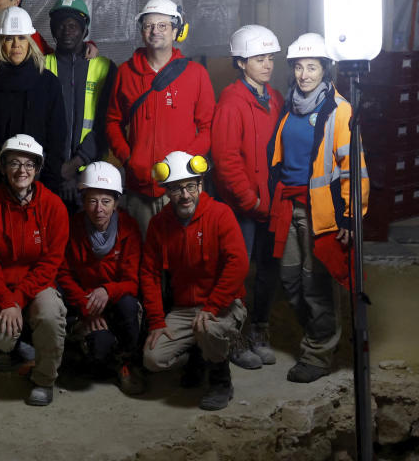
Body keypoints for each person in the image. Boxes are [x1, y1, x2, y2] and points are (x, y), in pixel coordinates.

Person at [267, 33, 368, 383]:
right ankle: (319, 336)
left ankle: (318, 353)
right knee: (290, 282)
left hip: (320, 214)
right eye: (298, 67)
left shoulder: (339, 110)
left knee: (317, 286)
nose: (304, 74)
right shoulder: (290, 105)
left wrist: (351, 215)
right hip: (289, 207)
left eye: (311, 67)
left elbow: (353, 167)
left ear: (324, 70)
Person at [140, 151, 249, 411]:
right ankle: (199, 358)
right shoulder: (159, 224)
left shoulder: (220, 214)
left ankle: (221, 380)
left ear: (200, 184)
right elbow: (149, 273)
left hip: (222, 305)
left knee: (208, 329)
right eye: (177, 188)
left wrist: (212, 307)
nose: (185, 195)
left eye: (190, 185)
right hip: (184, 309)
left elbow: (239, 264)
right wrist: (156, 320)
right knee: (152, 359)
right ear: (167, 191)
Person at [0, 134, 69, 406]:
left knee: (50, 314)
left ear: (37, 170)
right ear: (2, 167)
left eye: (29, 164)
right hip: (0, 287)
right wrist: (6, 300)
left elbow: (51, 263)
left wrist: (17, 300)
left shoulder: (53, 207)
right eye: (14, 163)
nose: (21, 170)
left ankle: (44, 380)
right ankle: (19, 347)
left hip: (38, 285)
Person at [105, 0, 215, 236]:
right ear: (142, 32)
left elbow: (207, 127)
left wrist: (185, 164)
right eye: (148, 26)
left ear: (176, 31)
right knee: (143, 257)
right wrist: (128, 158)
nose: (155, 31)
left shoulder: (196, 74)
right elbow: (113, 121)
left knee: (181, 257)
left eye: (163, 25)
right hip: (139, 187)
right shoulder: (126, 72)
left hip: (181, 187)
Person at [211, 25, 285, 370]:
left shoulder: (276, 99)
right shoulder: (231, 100)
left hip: (273, 204)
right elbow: (226, 160)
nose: (267, 64)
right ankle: (235, 336)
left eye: (270, 58)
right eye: (259, 58)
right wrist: (249, 202)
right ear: (241, 62)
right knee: (237, 271)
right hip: (245, 207)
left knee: (268, 270)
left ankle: (260, 329)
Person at [56, 161, 143, 395]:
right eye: (92, 201)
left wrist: (106, 290)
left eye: (106, 201)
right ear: (83, 201)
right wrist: (86, 308)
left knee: (128, 303)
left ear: (116, 203)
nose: (98, 209)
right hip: (84, 304)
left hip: (115, 303)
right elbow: (62, 274)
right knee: (98, 350)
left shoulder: (128, 228)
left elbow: (131, 281)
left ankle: (127, 362)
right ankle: (86, 348)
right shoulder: (72, 227)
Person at [0, 6, 67, 196]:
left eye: (21, 38)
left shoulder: (47, 82)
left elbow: (57, 135)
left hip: (39, 181)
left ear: (30, 41)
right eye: (9, 39)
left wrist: (48, 179)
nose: (16, 45)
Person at [44, 0, 115, 208]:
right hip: (49, 174)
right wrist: (58, 169)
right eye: (61, 25)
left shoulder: (105, 68)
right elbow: (37, 123)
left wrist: (76, 165)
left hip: (92, 174)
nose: (67, 30)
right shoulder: (41, 65)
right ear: (53, 30)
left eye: (74, 25)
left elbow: (107, 123)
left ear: (85, 31)